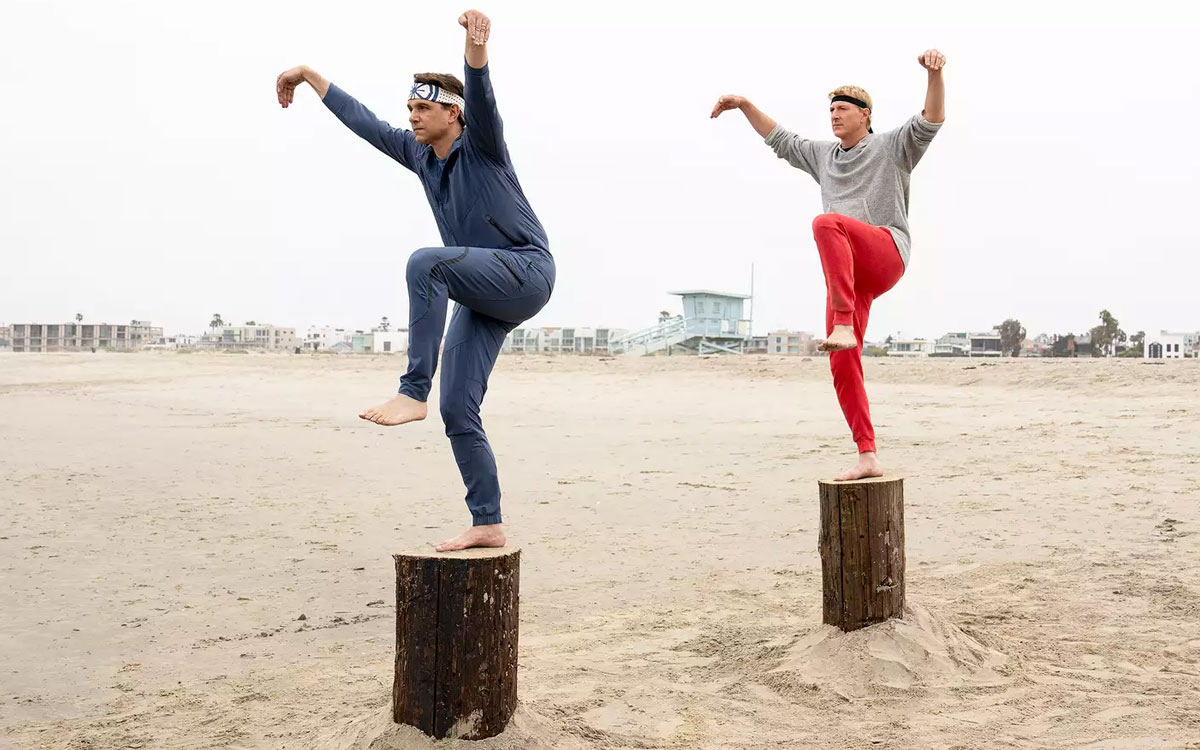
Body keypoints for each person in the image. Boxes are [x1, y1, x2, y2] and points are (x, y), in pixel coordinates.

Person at [276, 9, 555, 551]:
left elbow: (482, 91)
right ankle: (487, 520)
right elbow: (365, 123)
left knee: (426, 260)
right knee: (458, 407)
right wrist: (311, 76)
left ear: (453, 114)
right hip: (484, 291)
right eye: (409, 108)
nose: (412, 118)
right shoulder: (420, 156)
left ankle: (411, 391)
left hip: (525, 270)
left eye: (423, 108)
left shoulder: (483, 146)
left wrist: (476, 49)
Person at [711, 50, 946, 481]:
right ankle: (867, 454)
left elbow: (931, 119)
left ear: (865, 115)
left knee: (826, 223)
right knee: (842, 361)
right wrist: (744, 105)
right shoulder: (824, 156)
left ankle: (841, 324)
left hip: (885, 252)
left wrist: (935, 74)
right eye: (831, 110)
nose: (834, 116)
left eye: (842, 109)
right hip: (849, 278)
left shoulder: (891, 146)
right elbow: (781, 139)